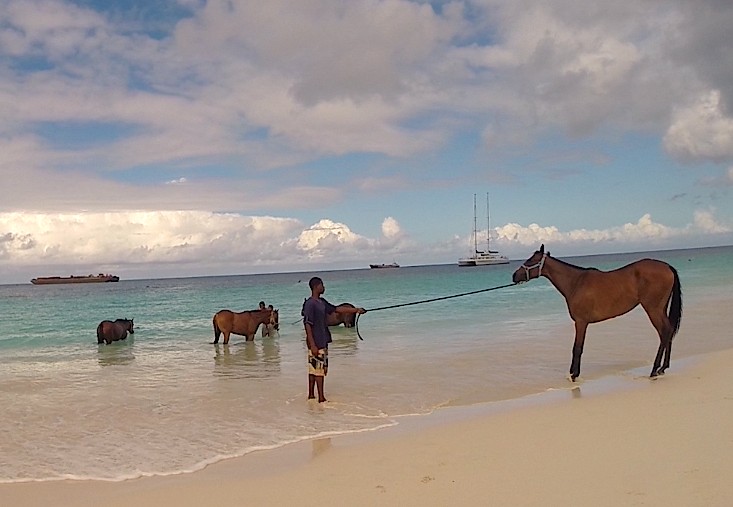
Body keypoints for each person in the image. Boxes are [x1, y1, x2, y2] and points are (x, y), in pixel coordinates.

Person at [302, 276, 365, 403]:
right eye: (322, 285)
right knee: (319, 369)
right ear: (316, 287)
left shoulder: (321, 302)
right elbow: (307, 324)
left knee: (314, 368)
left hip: (322, 339)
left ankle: (311, 396)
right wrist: (313, 344)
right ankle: (321, 398)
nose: (324, 287)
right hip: (316, 341)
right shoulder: (310, 304)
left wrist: (356, 310)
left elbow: (337, 309)